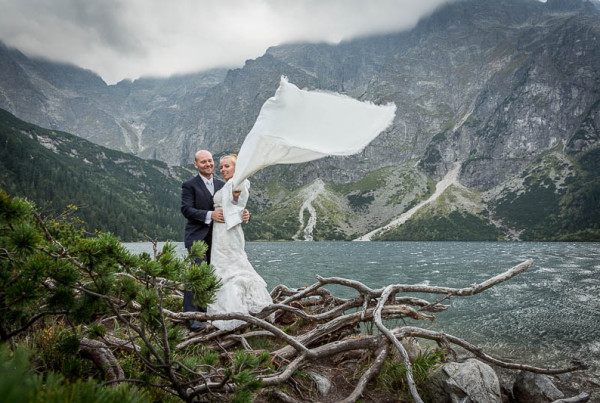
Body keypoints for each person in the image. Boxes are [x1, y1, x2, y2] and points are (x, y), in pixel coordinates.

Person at [180, 150, 248, 332]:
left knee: (213, 276)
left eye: (210, 161)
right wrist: (210, 214)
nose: (208, 164)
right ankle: (191, 316)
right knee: (196, 275)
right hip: (196, 237)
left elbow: (233, 205)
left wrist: (243, 213)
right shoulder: (189, 185)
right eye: (203, 162)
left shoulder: (221, 183)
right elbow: (186, 209)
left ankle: (206, 311)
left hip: (219, 239)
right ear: (196, 165)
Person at [207, 154, 273, 330]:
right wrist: (241, 211)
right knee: (224, 266)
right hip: (220, 231)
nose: (222, 170)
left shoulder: (237, 182)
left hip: (227, 231)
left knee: (231, 266)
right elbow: (236, 205)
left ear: (237, 168)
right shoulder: (228, 184)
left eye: (226, 166)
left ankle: (234, 313)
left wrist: (238, 203)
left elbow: (235, 199)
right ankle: (234, 308)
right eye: (221, 167)